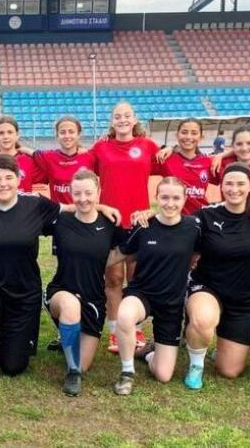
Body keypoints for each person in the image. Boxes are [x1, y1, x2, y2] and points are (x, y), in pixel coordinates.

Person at [0, 154, 119, 388]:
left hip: (22, 292)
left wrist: (100, 206)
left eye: (8, 177)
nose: (3, 184)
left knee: (12, 366)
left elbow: (71, 208)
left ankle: (5, 327)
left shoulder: (35, 204)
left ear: (18, 179)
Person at [182, 164, 250, 390]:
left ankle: (223, 347)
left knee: (229, 371)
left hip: (246, 298)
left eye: (240, 184)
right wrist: (151, 215)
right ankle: (196, 365)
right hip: (208, 288)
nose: (234, 189)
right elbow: (175, 225)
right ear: (221, 186)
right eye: (229, 184)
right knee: (203, 320)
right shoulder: (207, 215)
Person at [108, 177, 199, 395]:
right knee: (125, 315)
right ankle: (127, 372)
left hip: (171, 303)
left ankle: (147, 353)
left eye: (176, 198)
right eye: (164, 197)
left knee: (163, 375)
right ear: (156, 198)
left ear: (184, 199)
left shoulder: (193, 227)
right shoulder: (144, 225)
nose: (170, 203)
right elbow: (118, 254)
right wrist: (84, 262)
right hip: (142, 294)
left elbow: (201, 252)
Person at [43, 169, 120, 396]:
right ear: (70, 193)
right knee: (70, 307)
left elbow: (128, 248)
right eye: (77, 193)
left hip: (93, 300)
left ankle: (69, 340)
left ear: (99, 192)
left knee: (84, 362)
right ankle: (73, 373)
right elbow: (28, 209)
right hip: (61, 292)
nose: (83, 198)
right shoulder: (60, 220)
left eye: (88, 193)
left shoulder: (110, 223)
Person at [91, 102, 160, 353]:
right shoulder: (100, 147)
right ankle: (114, 331)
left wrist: (170, 149)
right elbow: (82, 168)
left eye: (127, 115)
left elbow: (170, 163)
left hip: (139, 221)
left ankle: (135, 328)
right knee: (113, 278)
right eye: (117, 116)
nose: (122, 120)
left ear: (134, 119)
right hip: (110, 221)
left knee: (136, 278)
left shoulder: (148, 145)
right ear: (112, 121)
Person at [25, 116, 96, 204]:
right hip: (59, 211)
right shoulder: (49, 157)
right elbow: (34, 153)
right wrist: (20, 148)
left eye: (71, 132)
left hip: (83, 211)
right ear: (57, 136)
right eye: (62, 132)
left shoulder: (89, 157)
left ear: (78, 135)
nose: (67, 136)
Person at [152, 118, 215, 214]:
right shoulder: (165, 159)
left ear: (201, 137)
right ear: (177, 135)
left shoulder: (208, 162)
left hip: (201, 218)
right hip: (174, 217)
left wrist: (222, 155)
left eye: (194, 133)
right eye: (184, 132)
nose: (188, 137)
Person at [0, 116, 45, 193]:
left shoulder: (28, 161)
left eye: (10, 132)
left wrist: (31, 152)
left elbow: (51, 167)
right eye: (1, 133)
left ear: (17, 135)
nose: (6, 137)